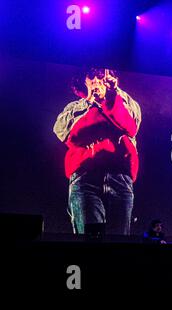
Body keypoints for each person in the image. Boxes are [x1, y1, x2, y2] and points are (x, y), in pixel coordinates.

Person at [53, 68, 142, 235]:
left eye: (100, 75)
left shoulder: (127, 101)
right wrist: (92, 103)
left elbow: (130, 127)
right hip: (85, 177)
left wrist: (110, 98)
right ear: (84, 81)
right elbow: (68, 135)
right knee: (89, 241)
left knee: (119, 242)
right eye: (91, 76)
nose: (96, 80)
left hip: (120, 177)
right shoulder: (74, 107)